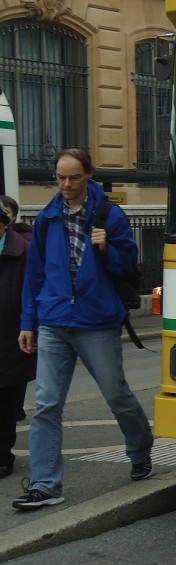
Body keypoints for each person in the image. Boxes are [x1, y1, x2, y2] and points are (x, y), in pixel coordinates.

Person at [12, 148, 154, 510]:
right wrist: (29, 322)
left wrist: (107, 249)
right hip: (54, 321)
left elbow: (129, 267)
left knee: (116, 394)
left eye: (74, 177)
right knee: (46, 404)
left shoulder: (110, 215)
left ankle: (140, 449)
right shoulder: (47, 218)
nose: (66, 184)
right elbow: (35, 276)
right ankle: (45, 485)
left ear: (88, 175)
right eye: (60, 177)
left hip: (96, 321)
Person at [0, 205, 32, 480]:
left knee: (6, 400)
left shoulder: (24, 251)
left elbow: (35, 291)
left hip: (10, 334)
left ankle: (2, 456)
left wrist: (29, 326)